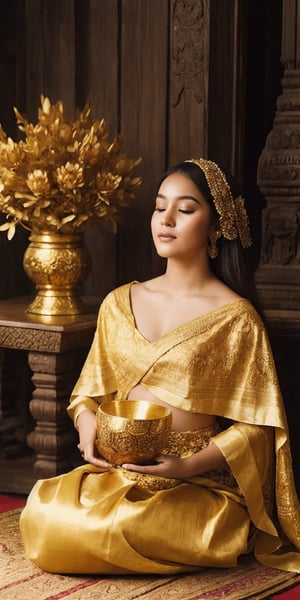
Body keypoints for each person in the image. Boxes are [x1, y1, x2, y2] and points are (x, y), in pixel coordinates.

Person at [20, 158, 300, 574]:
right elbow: (88, 395)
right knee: (42, 516)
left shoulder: (236, 319)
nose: (165, 220)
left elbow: (259, 429)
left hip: (197, 484)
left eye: (185, 210)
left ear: (216, 225)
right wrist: (87, 426)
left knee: (122, 526)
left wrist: (186, 465)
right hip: (122, 473)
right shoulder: (118, 303)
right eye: (159, 206)